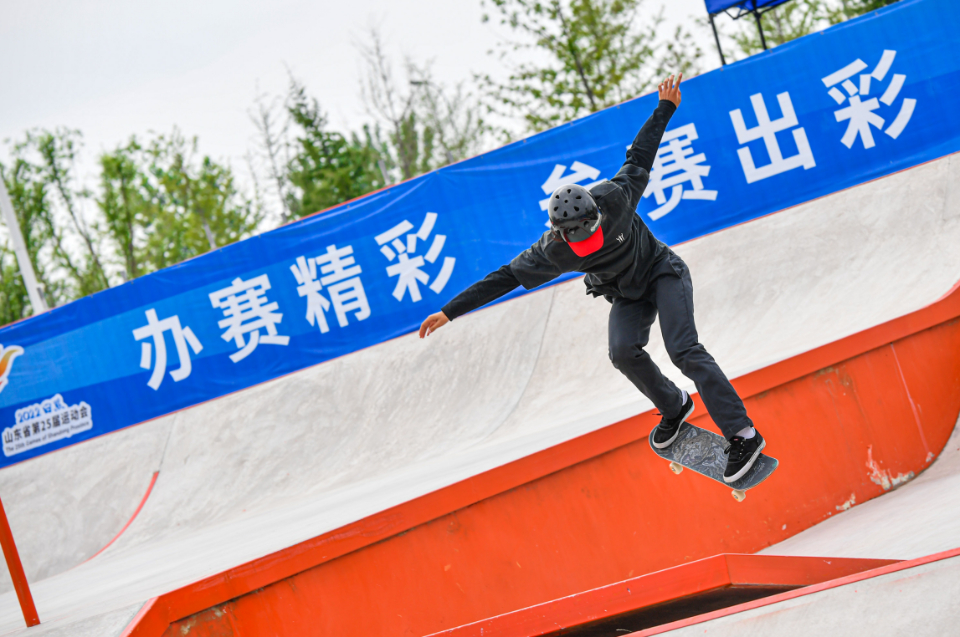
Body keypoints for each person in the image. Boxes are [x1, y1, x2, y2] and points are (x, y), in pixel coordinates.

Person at [418, 73, 765, 483]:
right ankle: (675, 406)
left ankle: (743, 434)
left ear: (597, 214)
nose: (588, 244)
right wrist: (450, 311)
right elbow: (505, 277)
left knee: (684, 350)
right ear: (561, 235)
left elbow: (641, 154)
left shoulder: (616, 196)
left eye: (592, 234)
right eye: (578, 242)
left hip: (662, 272)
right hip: (626, 294)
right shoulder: (551, 250)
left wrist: (665, 107)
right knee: (622, 352)